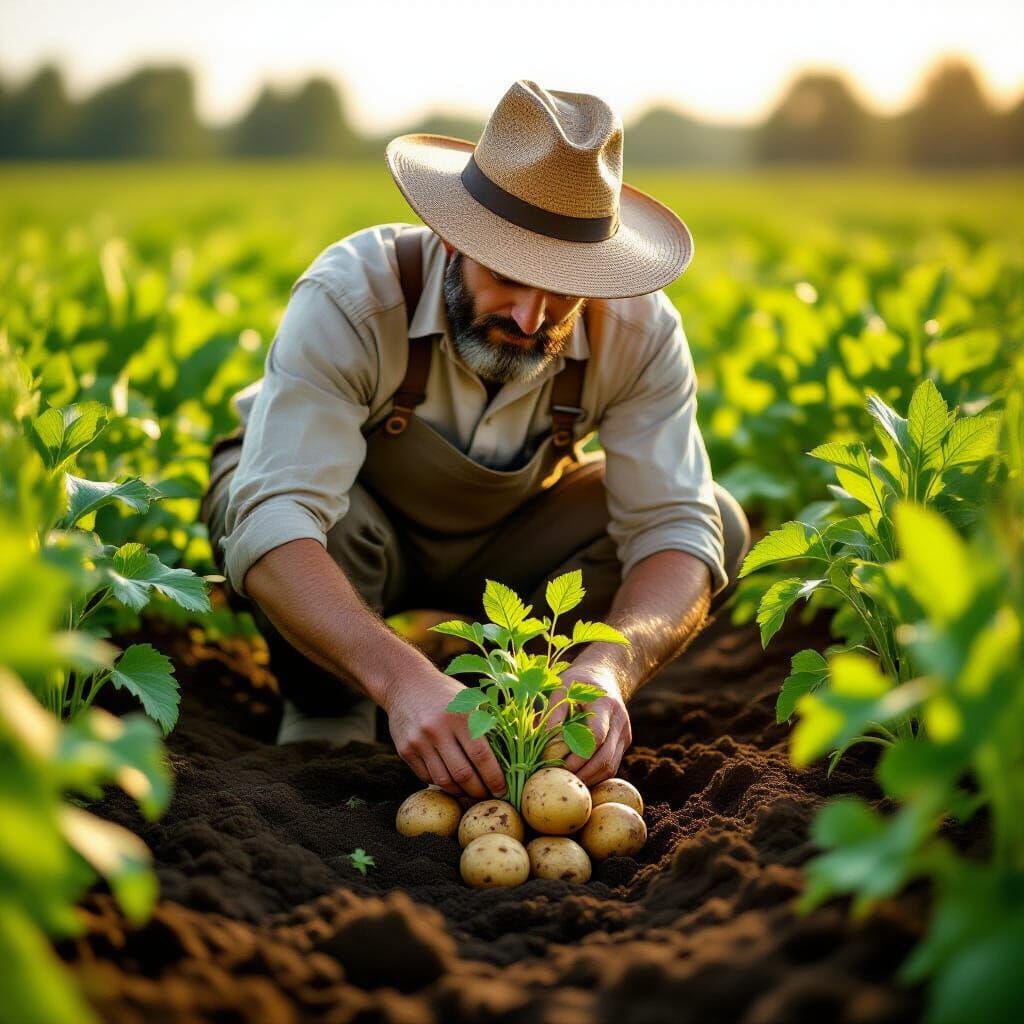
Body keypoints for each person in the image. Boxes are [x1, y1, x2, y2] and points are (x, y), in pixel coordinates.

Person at [200, 79, 750, 803]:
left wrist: (605, 668)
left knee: (720, 521)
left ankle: (524, 712)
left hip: (512, 539)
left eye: (564, 291)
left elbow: (677, 528)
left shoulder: (640, 331)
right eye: (509, 278)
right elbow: (274, 521)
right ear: (452, 237)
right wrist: (402, 681)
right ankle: (330, 707)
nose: (531, 317)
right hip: (361, 536)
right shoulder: (355, 297)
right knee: (293, 518)